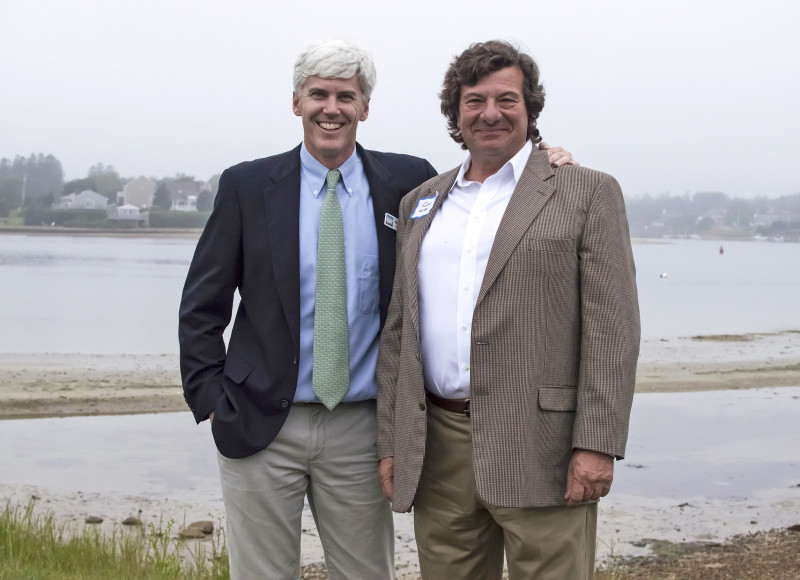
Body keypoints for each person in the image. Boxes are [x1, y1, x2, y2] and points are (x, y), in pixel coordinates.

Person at [180, 39, 574, 578]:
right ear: (297, 102)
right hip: (258, 422)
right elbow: (203, 305)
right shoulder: (247, 187)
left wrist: (547, 159)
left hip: (364, 431)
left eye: (347, 95)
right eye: (319, 94)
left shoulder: (408, 184)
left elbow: (485, 204)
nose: (332, 108)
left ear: (365, 107)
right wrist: (208, 398)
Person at [376, 40, 640, 579]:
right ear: (455, 113)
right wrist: (392, 441)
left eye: (506, 99)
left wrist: (597, 444)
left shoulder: (586, 192)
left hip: (542, 445)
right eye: (474, 101)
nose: (490, 113)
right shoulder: (420, 203)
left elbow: (612, 333)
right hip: (438, 447)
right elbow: (399, 331)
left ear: (530, 108)